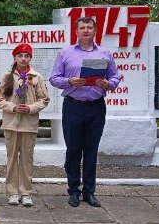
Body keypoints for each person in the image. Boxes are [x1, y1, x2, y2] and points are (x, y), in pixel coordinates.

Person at [50, 16, 121, 208]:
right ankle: (73, 191)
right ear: (77, 31)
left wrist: (108, 84)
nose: (86, 30)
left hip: (96, 107)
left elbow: (115, 78)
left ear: (95, 31)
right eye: (82, 27)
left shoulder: (105, 53)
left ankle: (89, 192)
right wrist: (69, 81)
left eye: (90, 27)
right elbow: (54, 78)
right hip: (73, 106)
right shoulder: (66, 53)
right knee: (73, 150)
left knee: (91, 150)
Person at [0, 44, 49, 207]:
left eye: (27, 56)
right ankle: (12, 192)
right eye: (20, 56)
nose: (23, 59)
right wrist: (13, 107)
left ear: (30, 58)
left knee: (27, 159)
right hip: (11, 124)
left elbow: (44, 99)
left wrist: (31, 108)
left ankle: (25, 192)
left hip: (29, 124)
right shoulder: (7, 76)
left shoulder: (36, 76)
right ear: (15, 57)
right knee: (12, 160)